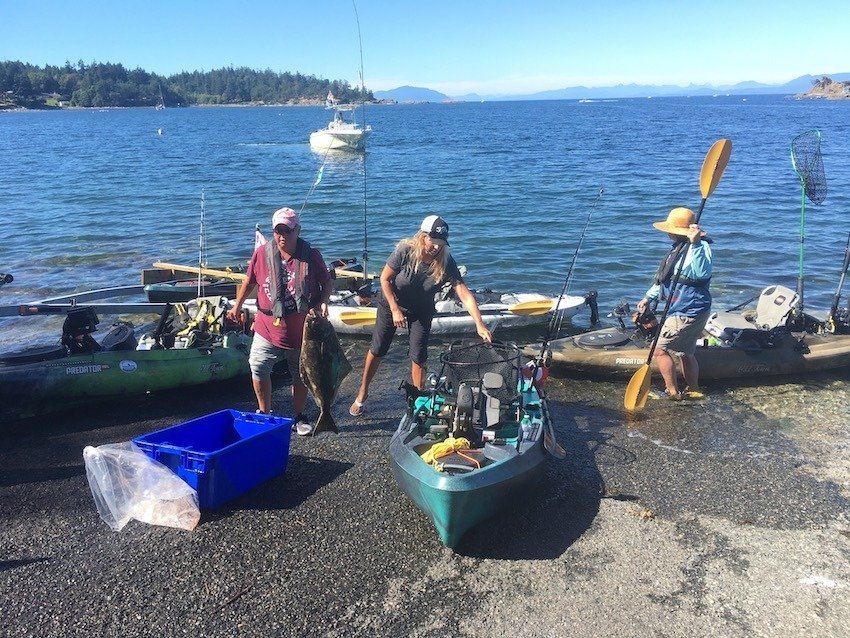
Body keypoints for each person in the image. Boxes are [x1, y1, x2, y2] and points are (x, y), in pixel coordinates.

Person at [349, 215, 493, 416]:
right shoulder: (405, 251)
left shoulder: (445, 261)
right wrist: (395, 309)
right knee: (378, 349)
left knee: (419, 356)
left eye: (440, 243)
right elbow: (384, 279)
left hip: (422, 309)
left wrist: (479, 324)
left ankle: (418, 401)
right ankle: (363, 391)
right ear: (423, 236)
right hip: (392, 302)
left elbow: (463, 293)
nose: (436, 247)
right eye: (432, 241)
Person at [227, 207, 332, 435]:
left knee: (301, 373)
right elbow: (249, 281)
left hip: (301, 331)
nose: (282, 236)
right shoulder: (262, 253)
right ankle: (265, 413)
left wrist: (323, 301)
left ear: (298, 230)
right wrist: (236, 305)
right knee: (258, 366)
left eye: (287, 230)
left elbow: (327, 284)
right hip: (267, 326)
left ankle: (298, 416)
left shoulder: (312, 256)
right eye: (278, 231)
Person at [636, 206, 712, 400]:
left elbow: (701, 273)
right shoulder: (678, 248)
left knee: (659, 350)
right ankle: (694, 388)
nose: (668, 232)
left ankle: (672, 392)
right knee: (686, 352)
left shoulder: (700, 248)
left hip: (688, 310)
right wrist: (648, 297)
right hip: (692, 309)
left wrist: (695, 245)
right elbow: (665, 279)